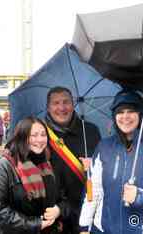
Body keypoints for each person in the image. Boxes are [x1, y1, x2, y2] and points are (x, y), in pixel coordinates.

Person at [79, 90, 143, 234]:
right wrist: (84, 225)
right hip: (103, 229)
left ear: (140, 114)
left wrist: (139, 197)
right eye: (120, 111)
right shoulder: (103, 147)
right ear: (114, 116)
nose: (125, 116)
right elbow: (93, 190)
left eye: (131, 111)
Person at [0, 117, 70, 234]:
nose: (39, 140)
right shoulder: (4, 165)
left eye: (43, 134)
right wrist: (35, 224)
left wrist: (59, 210)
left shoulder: (49, 162)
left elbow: (64, 197)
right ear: (22, 137)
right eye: (33, 135)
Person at [45, 86, 101, 234]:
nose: (62, 107)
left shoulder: (90, 131)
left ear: (73, 104)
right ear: (48, 107)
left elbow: (104, 169)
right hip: (53, 214)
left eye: (66, 102)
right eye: (56, 103)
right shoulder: (40, 134)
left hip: (86, 212)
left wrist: (94, 165)